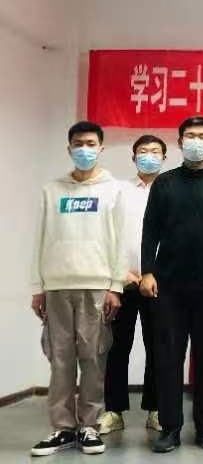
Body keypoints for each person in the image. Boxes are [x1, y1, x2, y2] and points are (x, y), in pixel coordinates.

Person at [140, 116, 203, 453]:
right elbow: (150, 229)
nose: (195, 141)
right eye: (190, 135)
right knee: (168, 357)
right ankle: (170, 428)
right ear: (180, 141)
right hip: (169, 285)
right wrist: (147, 271)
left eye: (202, 136)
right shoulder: (165, 183)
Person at [30, 121, 125, 457]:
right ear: (69, 149)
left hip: (96, 285)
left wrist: (115, 286)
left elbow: (120, 241)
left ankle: (89, 425)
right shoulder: (51, 190)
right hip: (57, 285)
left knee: (93, 357)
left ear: (101, 148)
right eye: (78, 144)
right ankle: (62, 428)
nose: (85, 149)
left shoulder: (113, 190)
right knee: (60, 360)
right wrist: (37, 286)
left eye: (90, 143)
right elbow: (40, 238)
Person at [99, 135, 166, 436]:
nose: (149, 156)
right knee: (116, 348)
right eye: (143, 151)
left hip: (159, 283)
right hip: (122, 280)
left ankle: (155, 409)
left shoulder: (170, 190)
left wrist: (156, 273)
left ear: (164, 157)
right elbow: (107, 234)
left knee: (159, 348)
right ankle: (113, 410)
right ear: (133, 157)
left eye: (155, 152)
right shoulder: (118, 190)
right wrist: (119, 273)